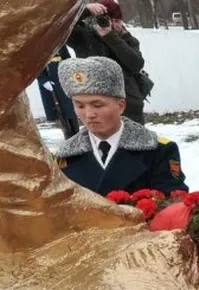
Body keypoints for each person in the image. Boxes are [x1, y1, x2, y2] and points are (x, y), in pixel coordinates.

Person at [53, 56, 186, 196]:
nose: (88, 114)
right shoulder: (64, 158)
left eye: (97, 105)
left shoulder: (158, 151)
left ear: (121, 106)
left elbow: (173, 202)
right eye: (79, 105)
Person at [68, 1, 148, 124]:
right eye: (109, 20)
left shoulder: (128, 39)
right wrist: (85, 10)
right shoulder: (84, 37)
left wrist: (109, 36)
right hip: (96, 107)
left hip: (129, 106)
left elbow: (136, 64)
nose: (114, 25)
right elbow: (63, 25)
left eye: (117, 21)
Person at [36, 45, 79, 139]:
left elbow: (68, 60)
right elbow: (35, 64)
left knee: (70, 110)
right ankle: (67, 137)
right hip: (49, 82)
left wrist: (69, 75)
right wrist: (43, 79)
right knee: (58, 113)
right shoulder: (36, 45)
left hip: (63, 80)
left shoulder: (59, 42)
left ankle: (76, 135)